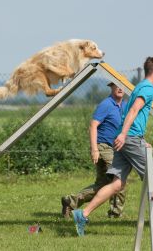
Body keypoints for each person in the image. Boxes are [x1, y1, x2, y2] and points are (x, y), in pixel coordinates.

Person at [72, 57, 153, 236]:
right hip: (128, 138)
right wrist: (126, 135)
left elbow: (131, 113)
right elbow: (133, 111)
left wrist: (133, 136)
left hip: (127, 137)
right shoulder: (148, 89)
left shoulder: (139, 86)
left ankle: (82, 214)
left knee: (117, 184)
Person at [61, 83, 127, 218]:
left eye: (122, 86)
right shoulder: (106, 104)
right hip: (103, 147)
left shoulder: (125, 105)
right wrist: (94, 149)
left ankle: (71, 201)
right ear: (111, 87)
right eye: (117, 85)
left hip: (114, 148)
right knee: (119, 179)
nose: (120, 88)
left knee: (103, 184)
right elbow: (93, 126)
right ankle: (115, 213)